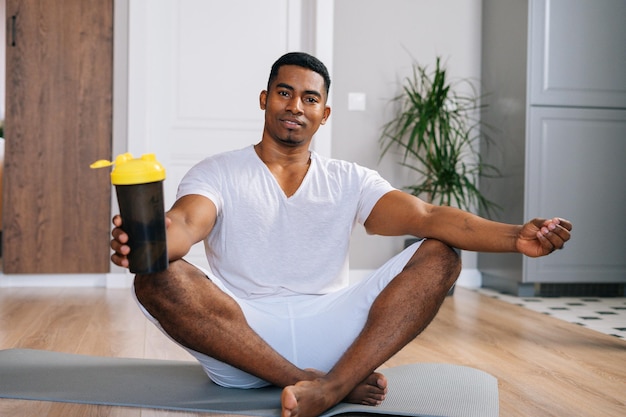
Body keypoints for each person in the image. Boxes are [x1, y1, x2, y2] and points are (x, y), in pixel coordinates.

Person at [110, 52, 572, 417]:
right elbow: (185, 224)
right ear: (264, 98)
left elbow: (428, 215)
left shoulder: (350, 179)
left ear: (325, 112)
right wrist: (145, 242)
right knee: (153, 277)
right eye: (284, 93)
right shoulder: (218, 170)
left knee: (441, 254)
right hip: (241, 339)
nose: (295, 106)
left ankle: (329, 386)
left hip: (335, 333)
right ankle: (315, 381)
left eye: (309, 98)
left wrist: (516, 236)